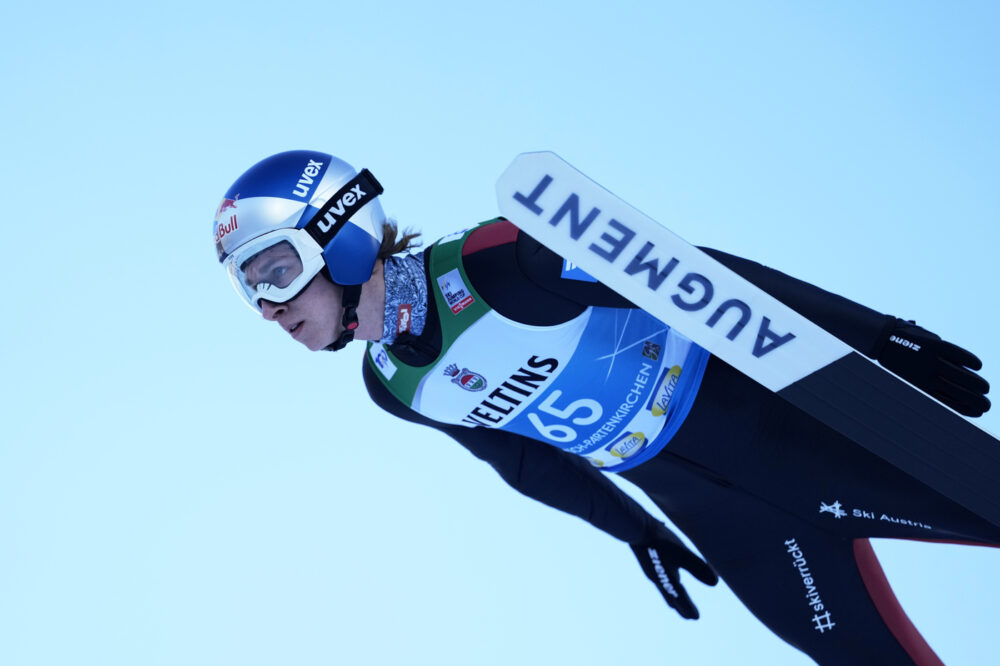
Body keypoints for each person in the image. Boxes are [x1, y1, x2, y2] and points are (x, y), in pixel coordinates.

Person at [214, 150, 996, 666]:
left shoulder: (498, 261)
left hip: (791, 437)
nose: (268, 306)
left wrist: (878, 339)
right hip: (732, 528)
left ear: (341, 236)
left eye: (276, 270)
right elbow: (522, 458)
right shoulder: (393, 385)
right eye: (250, 288)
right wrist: (635, 529)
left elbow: (704, 278)